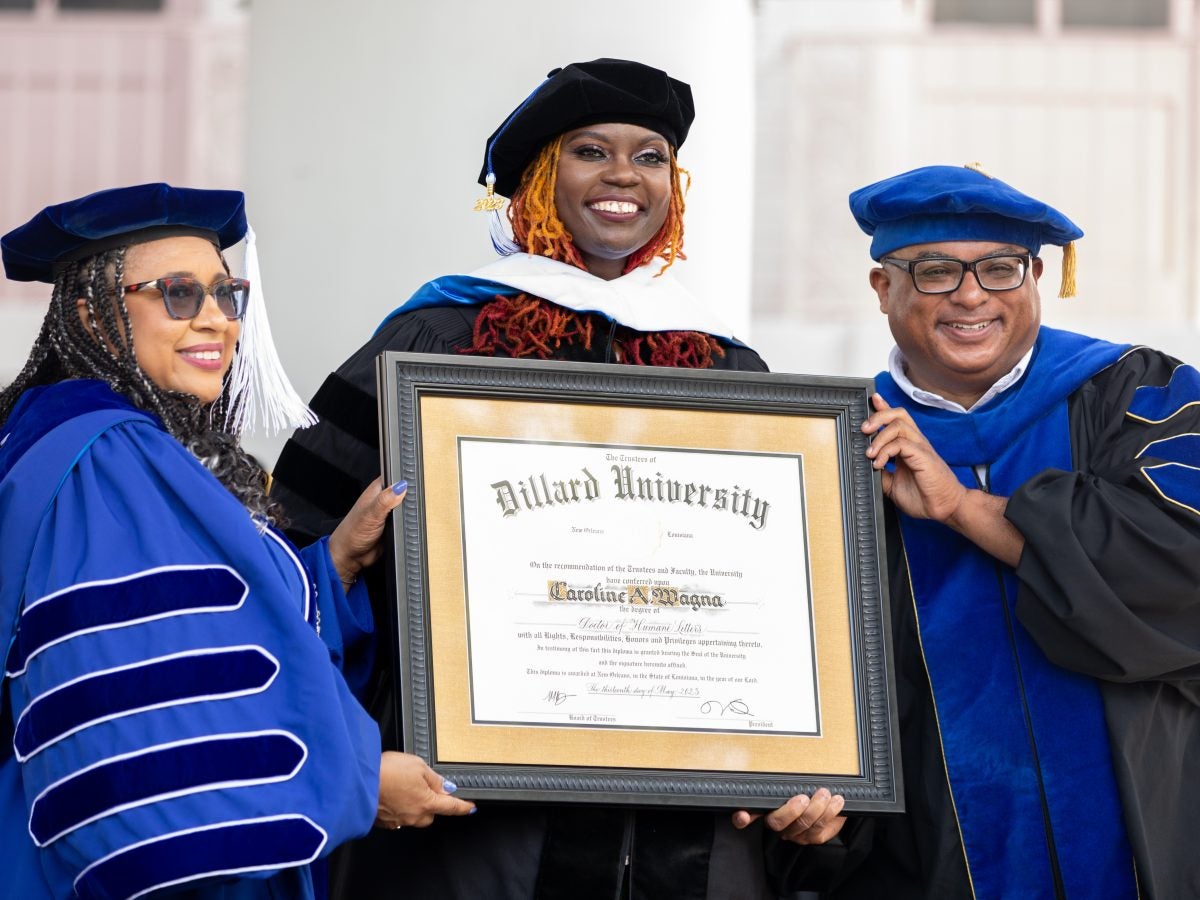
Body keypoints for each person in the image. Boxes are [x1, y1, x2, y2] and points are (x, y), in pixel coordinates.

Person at [271, 59, 837, 899]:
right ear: (540, 178)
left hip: (686, 827)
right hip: (475, 825)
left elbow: (785, 602)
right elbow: (296, 551)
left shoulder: (722, 362)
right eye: (590, 150)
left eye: (650, 157)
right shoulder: (435, 344)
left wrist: (807, 759)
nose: (623, 176)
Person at [0, 183, 474, 900]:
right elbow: (140, 701)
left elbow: (202, 627)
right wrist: (354, 775)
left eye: (229, 294)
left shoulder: (109, 443)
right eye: (179, 295)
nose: (216, 320)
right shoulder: (107, 459)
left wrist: (334, 564)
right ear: (91, 315)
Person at [769, 164, 1200, 899]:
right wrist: (819, 810)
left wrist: (963, 509)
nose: (971, 296)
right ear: (883, 288)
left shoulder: (1138, 397)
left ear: (1036, 275)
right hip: (924, 862)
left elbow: (1180, 571)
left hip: (1146, 844)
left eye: (999, 269)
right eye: (935, 271)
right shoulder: (828, 452)